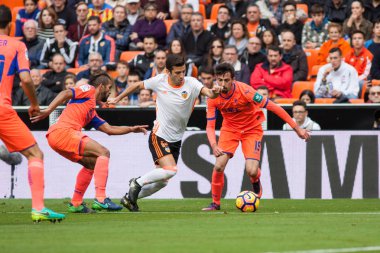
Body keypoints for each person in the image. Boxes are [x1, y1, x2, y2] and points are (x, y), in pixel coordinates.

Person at [107, 54, 223, 212]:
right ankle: (137, 182)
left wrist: (215, 91)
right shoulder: (159, 81)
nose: (181, 76)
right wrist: (117, 98)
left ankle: (129, 197)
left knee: (163, 181)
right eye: (177, 73)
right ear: (168, 71)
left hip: (176, 140)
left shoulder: (192, 83)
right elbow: (136, 86)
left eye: (183, 71)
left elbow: (209, 93)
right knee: (171, 170)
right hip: (159, 135)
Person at [31, 71, 148, 213]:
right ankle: (101, 198)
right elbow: (66, 93)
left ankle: (76, 203)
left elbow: (109, 129)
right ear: (101, 86)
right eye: (109, 87)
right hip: (63, 132)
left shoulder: (91, 111)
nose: (110, 92)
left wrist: (131, 129)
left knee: (91, 164)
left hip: (56, 137)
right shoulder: (89, 90)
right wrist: (49, 110)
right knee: (103, 152)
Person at [202, 63, 310, 211]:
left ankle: (256, 181)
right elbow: (210, 126)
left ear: (233, 79)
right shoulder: (212, 97)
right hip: (230, 130)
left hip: (251, 129)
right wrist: (213, 145)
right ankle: (215, 203)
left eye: (226, 80)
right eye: (220, 80)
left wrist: (296, 128)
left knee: (251, 170)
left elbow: (273, 107)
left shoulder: (245, 90)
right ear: (215, 79)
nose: (223, 84)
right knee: (219, 165)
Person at [0, 5, 65, 222]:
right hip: (2, 110)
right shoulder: (16, 46)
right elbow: (27, 79)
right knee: (35, 155)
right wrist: (35, 103)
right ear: (10, 24)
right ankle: (38, 208)